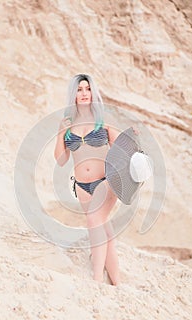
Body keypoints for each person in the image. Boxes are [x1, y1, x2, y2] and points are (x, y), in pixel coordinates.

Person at [54, 74, 122, 286]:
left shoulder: (104, 118)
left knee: (94, 222)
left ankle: (96, 280)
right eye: (79, 89)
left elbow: (123, 147)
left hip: (105, 181)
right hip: (81, 186)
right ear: (73, 94)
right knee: (104, 229)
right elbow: (62, 159)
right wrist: (60, 134)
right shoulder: (67, 122)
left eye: (87, 89)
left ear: (93, 92)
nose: (84, 93)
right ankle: (117, 282)